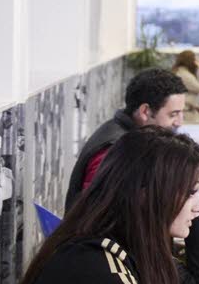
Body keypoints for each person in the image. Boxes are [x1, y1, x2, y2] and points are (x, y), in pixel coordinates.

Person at [11, 127, 199, 284]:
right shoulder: (97, 266)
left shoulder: (132, 242)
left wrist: (180, 199)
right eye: (191, 193)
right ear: (144, 195)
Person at [65, 68, 186, 211]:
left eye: (182, 113)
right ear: (145, 111)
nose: (180, 122)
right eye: (173, 114)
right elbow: (97, 214)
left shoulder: (136, 137)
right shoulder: (114, 149)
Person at [171, 50, 199, 124]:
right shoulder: (185, 76)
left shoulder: (179, 72)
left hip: (186, 109)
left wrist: (197, 106)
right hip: (186, 113)